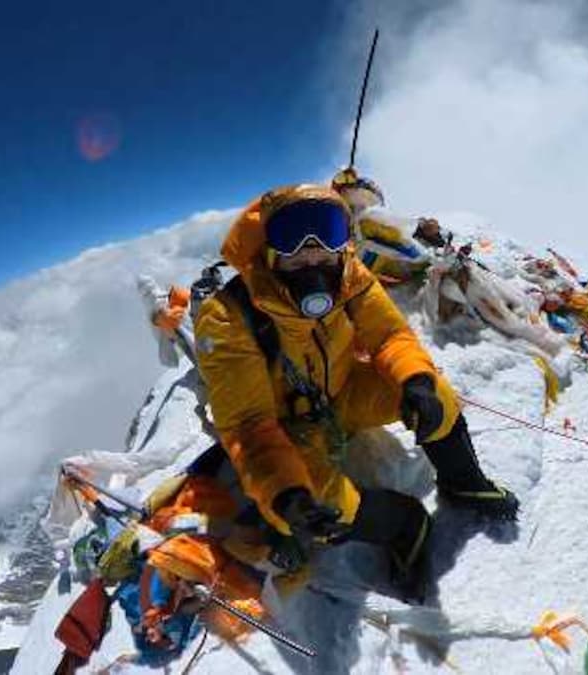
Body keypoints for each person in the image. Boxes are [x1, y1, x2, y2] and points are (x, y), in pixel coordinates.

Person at [193, 183, 518, 600]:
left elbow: (389, 337)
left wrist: (415, 381)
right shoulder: (227, 318)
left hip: (343, 392)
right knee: (316, 503)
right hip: (287, 428)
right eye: (292, 235)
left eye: (326, 232)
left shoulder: (350, 277)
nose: (312, 252)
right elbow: (250, 427)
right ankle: (404, 525)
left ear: (343, 239)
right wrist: (287, 495)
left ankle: (464, 483)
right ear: (268, 248)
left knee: (436, 394)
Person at [330, 168, 446, 282]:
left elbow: (394, 224)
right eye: (351, 208)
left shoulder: (371, 222)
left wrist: (426, 232)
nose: (356, 213)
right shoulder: (334, 233)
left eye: (359, 207)